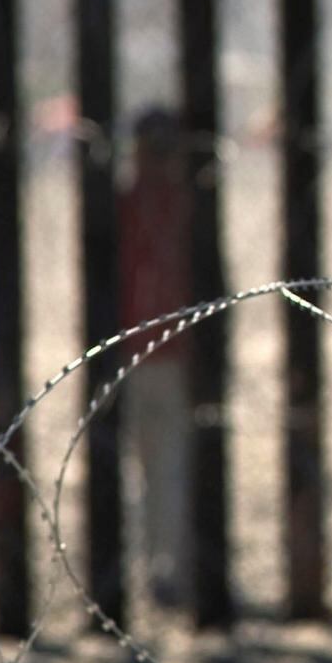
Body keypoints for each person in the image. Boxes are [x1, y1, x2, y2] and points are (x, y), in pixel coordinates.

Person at [117, 106, 198, 613]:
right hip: (167, 351)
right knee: (169, 464)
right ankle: (167, 568)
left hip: (133, 351)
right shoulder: (182, 205)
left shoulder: (123, 204)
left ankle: (158, 568)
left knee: (151, 466)